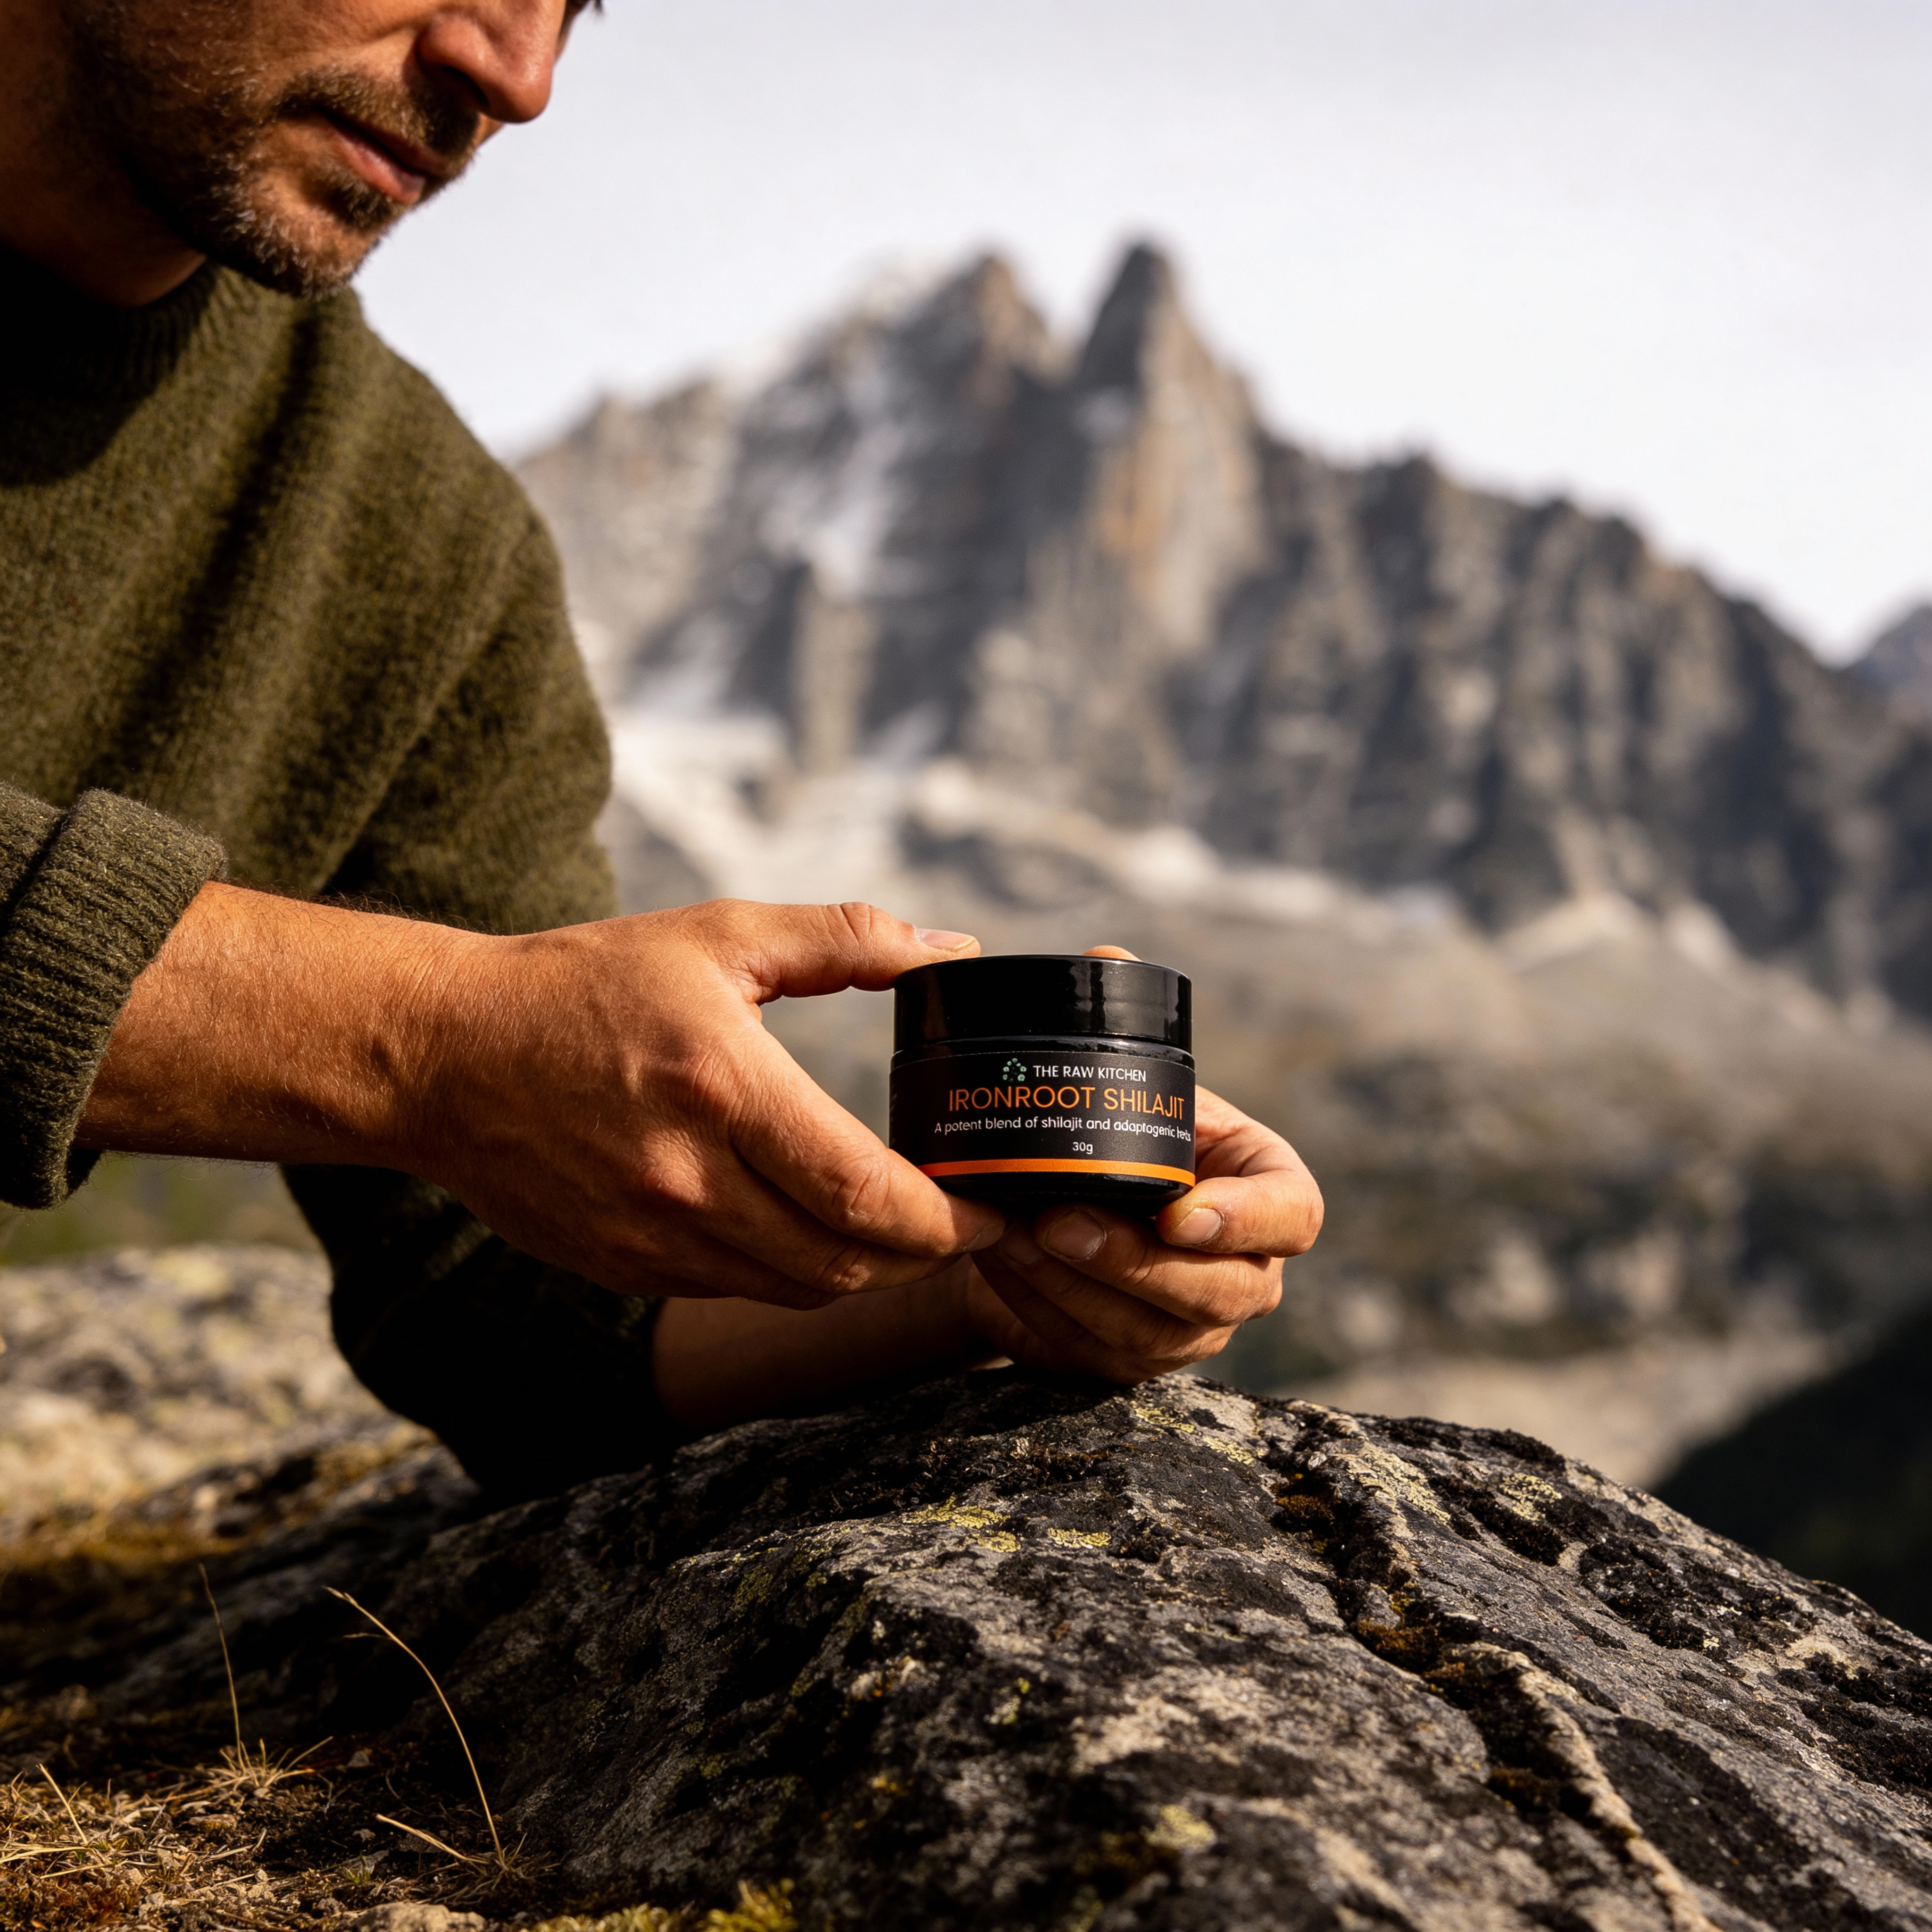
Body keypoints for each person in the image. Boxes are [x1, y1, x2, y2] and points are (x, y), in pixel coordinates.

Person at [0, 0, 1323, 1497]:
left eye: (581, 5)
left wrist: (995, 1272)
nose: (516, 74)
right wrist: (425, 1041)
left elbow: (499, 1300)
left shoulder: (418, 546)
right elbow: (457, 1063)